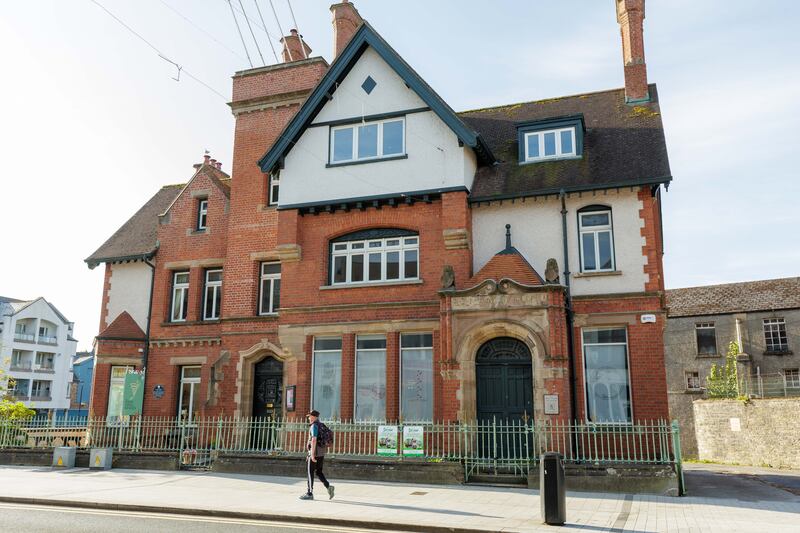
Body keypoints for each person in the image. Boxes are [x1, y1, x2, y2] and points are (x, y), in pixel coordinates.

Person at [300, 409, 334, 500]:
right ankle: (328, 487)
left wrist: (312, 454)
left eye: (310, 416)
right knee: (319, 472)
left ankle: (309, 493)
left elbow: (314, 439)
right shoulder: (321, 425)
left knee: (310, 472)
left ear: (314, 417)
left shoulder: (314, 426)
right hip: (321, 453)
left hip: (314, 453)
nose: (309, 418)